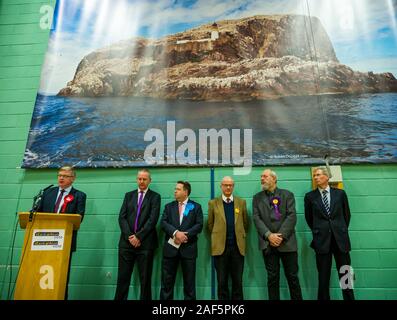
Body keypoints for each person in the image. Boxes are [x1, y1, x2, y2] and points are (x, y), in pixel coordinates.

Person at [304, 166, 355, 300]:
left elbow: (346, 215)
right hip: (322, 242)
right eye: (314, 175)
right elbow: (309, 219)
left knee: (346, 275)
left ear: (327, 177)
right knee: (323, 277)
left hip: (341, 240)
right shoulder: (310, 197)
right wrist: (321, 231)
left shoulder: (340, 194)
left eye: (318, 175)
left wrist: (338, 230)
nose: (315, 177)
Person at [253, 169, 302, 300]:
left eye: (265, 176)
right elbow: (256, 218)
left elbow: (292, 216)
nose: (262, 179)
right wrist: (269, 235)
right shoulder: (257, 198)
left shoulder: (287, 195)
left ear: (274, 179)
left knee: (292, 277)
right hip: (268, 244)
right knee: (272, 278)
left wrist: (279, 236)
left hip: (287, 243)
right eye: (261, 177)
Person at [38, 165, 86, 299]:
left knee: (61, 274)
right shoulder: (47, 193)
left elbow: (79, 218)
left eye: (65, 176)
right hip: (44, 239)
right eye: (59, 175)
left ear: (73, 178)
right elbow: (38, 213)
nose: (61, 178)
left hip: (65, 240)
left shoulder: (79, 196)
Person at [114, 169, 161, 300]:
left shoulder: (155, 197)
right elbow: (121, 218)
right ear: (136, 179)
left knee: (145, 281)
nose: (141, 181)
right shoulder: (128, 195)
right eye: (139, 179)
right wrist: (130, 236)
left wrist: (139, 237)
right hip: (126, 243)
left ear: (149, 181)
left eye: (144, 179)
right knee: (122, 279)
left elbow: (153, 220)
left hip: (145, 244)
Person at [159, 181, 203, 300]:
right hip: (170, 250)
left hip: (188, 250)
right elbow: (163, 223)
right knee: (166, 284)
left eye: (178, 189)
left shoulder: (196, 207)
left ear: (185, 191)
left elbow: (199, 225)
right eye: (175, 189)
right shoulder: (169, 207)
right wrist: (175, 233)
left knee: (189, 285)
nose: (175, 191)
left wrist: (185, 235)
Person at [207, 176, 248, 300]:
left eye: (230, 185)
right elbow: (210, 224)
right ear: (221, 186)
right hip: (220, 250)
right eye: (225, 185)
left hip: (237, 249)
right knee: (222, 282)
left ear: (233, 186)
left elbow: (245, 223)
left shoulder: (241, 202)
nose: (228, 187)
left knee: (238, 282)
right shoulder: (213, 203)